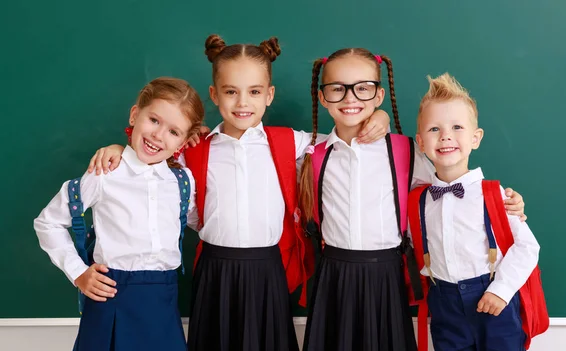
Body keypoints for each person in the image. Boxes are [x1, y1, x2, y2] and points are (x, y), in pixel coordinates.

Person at [86, 35, 391, 351]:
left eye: (254, 92)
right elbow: (147, 157)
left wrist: (378, 117)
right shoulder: (194, 148)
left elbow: (343, 140)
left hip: (268, 267)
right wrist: (116, 148)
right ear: (214, 95)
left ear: (269, 95)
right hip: (215, 268)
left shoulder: (293, 142)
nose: (243, 102)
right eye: (231, 92)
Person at [297, 50, 526, 351]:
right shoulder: (308, 149)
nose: (350, 97)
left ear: (379, 95)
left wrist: (503, 204)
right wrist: (209, 130)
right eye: (337, 88)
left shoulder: (406, 151)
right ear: (323, 97)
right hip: (334, 276)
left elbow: (447, 188)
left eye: (362, 88)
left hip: (388, 275)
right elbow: (257, 138)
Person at [33, 77, 204, 351]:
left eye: (174, 132)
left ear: (184, 141)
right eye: (154, 120)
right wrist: (78, 273)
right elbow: (47, 222)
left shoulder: (183, 181)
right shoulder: (104, 172)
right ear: (135, 115)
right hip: (111, 299)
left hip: (163, 303)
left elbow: (201, 222)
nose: (159, 135)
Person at [410, 73, 540, 351]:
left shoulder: (494, 194)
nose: (445, 136)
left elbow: (527, 246)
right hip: (443, 302)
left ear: (476, 138)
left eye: (457, 127)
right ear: (421, 143)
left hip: (492, 298)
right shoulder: (418, 199)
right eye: (434, 129)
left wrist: (501, 291)